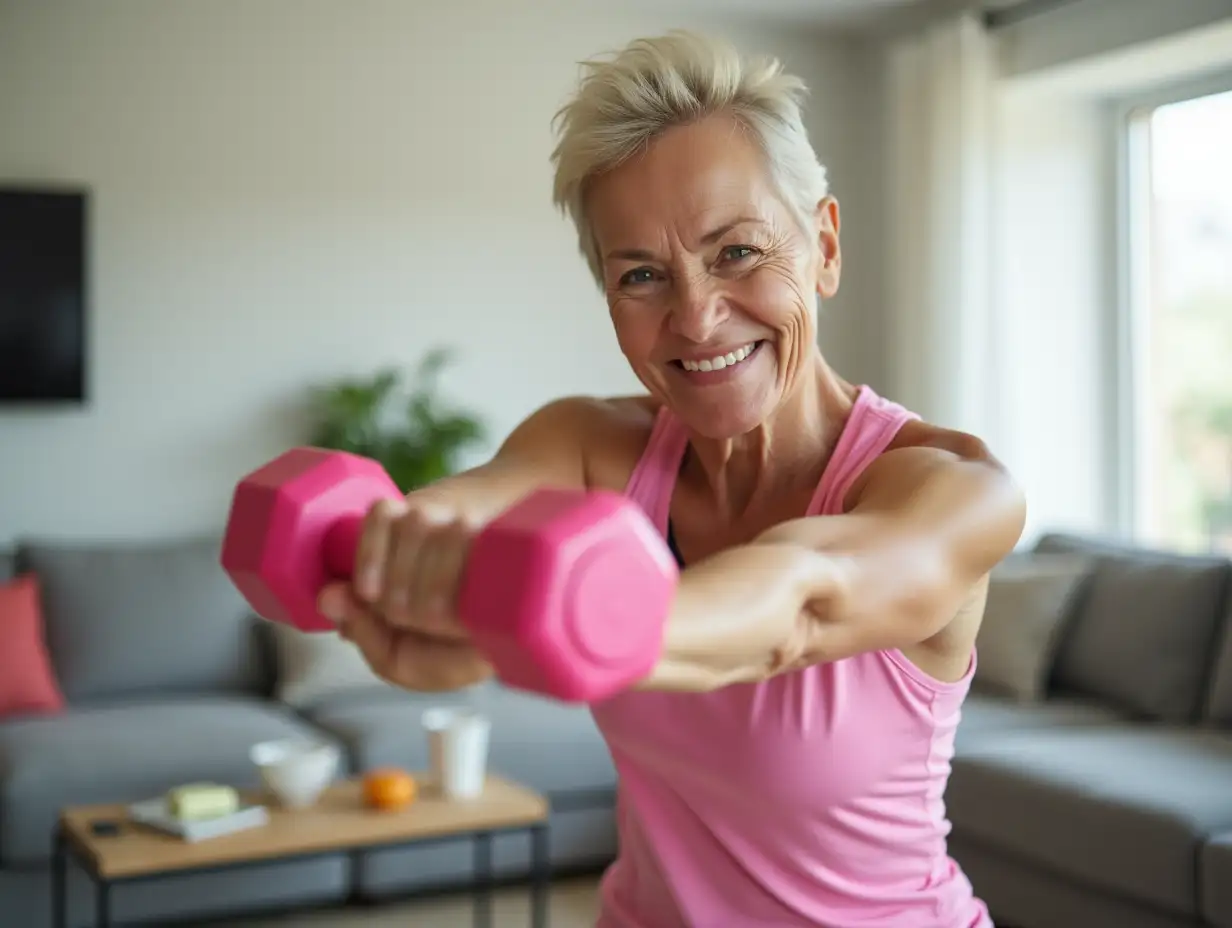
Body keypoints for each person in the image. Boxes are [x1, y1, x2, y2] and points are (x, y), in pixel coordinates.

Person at [317, 30, 1025, 928]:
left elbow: (802, 599)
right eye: (643, 275)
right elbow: (445, 519)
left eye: (736, 253)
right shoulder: (587, 446)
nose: (696, 318)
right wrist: (395, 574)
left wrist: (567, 626)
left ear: (825, 247)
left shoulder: (953, 488)